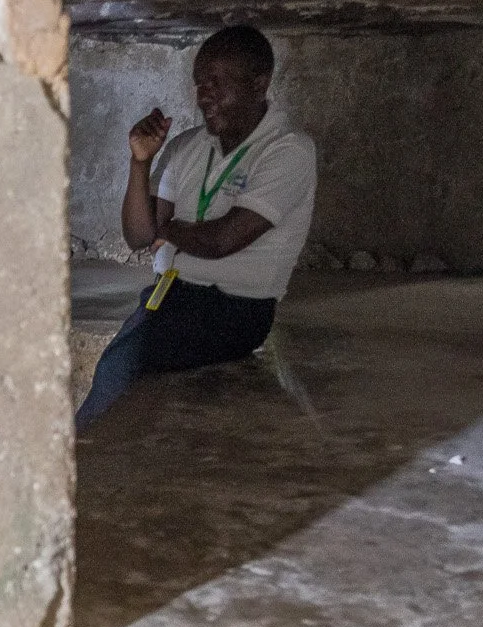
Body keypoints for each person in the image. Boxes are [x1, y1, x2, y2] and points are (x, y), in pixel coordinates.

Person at [75, 24, 316, 429]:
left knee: (125, 368)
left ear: (260, 84)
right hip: (168, 294)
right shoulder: (187, 147)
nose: (205, 94)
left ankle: (86, 460)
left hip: (236, 308)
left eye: (219, 82)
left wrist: (166, 228)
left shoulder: (288, 150)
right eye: (200, 81)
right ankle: (91, 454)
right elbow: (139, 235)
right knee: (118, 373)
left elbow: (221, 241)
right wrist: (140, 162)